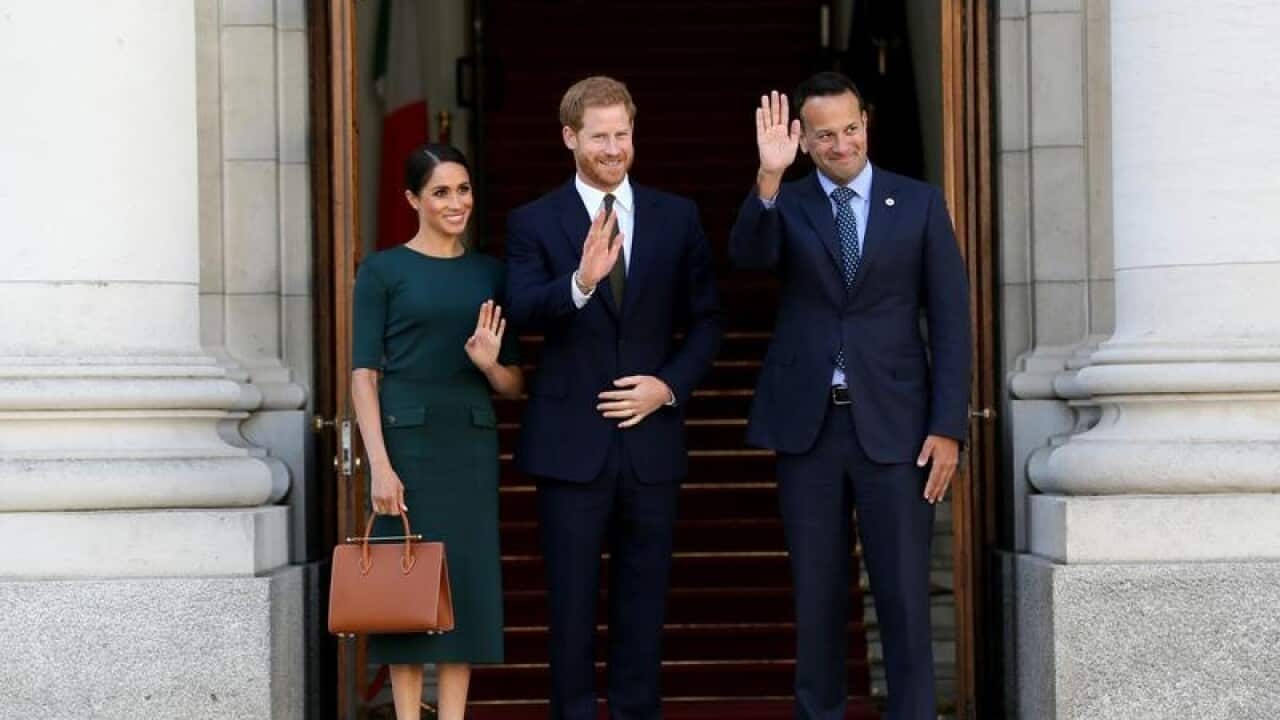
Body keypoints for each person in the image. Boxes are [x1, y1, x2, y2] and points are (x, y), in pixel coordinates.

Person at [729, 72, 971, 720]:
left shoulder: (918, 203)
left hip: (899, 430)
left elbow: (950, 319)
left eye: (851, 129)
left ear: (866, 124)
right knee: (817, 599)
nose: (842, 145)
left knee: (903, 601)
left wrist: (949, 426)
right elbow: (748, 256)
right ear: (804, 141)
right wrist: (769, 178)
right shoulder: (792, 200)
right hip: (810, 430)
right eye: (825, 136)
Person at [505, 76, 722, 720]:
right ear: (570, 137)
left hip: (651, 447)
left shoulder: (675, 216)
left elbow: (708, 319)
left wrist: (669, 385)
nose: (613, 148)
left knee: (643, 601)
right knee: (570, 606)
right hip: (570, 449)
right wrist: (578, 282)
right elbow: (519, 306)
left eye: (622, 134)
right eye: (599, 136)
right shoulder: (533, 220)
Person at [350, 143, 524, 720]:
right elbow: (364, 375)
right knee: (404, 592)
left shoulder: (491, 273)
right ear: (412, 200)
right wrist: (379, 462)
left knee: (464, 593)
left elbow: (512, 385)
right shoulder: (382, 270)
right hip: (406, 447)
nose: (456, 203)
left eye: (464, 190)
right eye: (441, 192)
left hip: (469, 447)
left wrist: (488, 363)